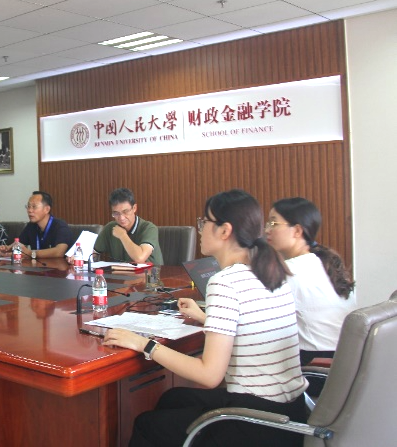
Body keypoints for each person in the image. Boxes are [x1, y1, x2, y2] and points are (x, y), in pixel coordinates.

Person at [104, 189, 308, 447]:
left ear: (225, 231)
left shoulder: (225, 282)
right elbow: (249, 324)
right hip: (291, 413)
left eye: (204, 222)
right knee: (173, 399)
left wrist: (143, 343)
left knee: (146, 425)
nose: (200, 229)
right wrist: (205, 317)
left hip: (257, 424)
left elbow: (209, 375)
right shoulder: (271, 271)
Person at [265, 197, 356, 367]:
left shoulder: (291, 272)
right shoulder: (324, 261)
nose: (267, 230)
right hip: (343, 361)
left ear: (297, 231)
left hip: (317, 365)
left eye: (273, 223)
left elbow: (258, 321)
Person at [93, 188, 163, 264]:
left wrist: (122, 235)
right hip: (119, 271)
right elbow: (92, 253)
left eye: (125, 211)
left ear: (134, 208)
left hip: (151, 271)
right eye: (116, 213)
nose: (121, 218)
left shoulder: (149, 228)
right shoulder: (110, 228)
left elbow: (139, 258)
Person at [0, 191, 73, 259]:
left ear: (47, 209)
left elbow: (59, 252)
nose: (30, 210)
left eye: (34, 207)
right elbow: (19, 244)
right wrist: (7, 249)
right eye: (28, 206)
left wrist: (30, 253)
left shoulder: (60, 226)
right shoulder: (31, 226)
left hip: (58, 269)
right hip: (37, 267)